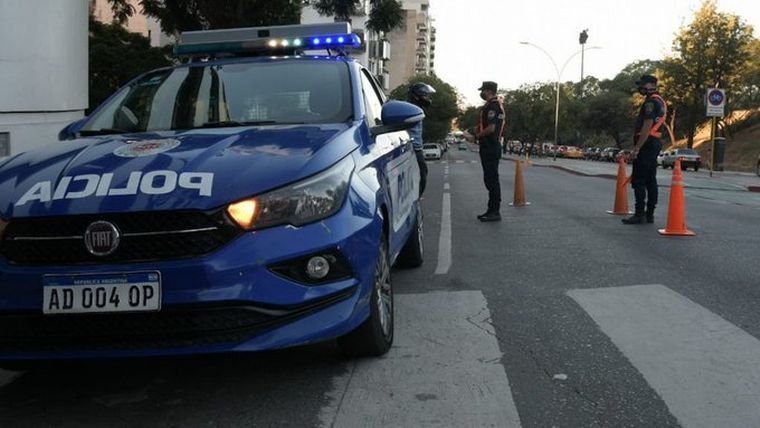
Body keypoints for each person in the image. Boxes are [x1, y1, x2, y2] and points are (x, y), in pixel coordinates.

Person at [622, 74, 667, 225]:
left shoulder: (651, 103)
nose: (640, 88)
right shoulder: (659, 101)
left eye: (642, 85)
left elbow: (647, 126)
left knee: (639, 179)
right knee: (650, 179)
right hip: (654, 143)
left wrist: (636, 149)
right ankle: (649, 214)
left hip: (647, 144)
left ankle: (640, 213)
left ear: (651, 85)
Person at [464, 81, 506, 222]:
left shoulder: (493, 106)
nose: (481, 93)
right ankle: (491, 210)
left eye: (483, 91)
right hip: (489, 146)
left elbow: (491, 128)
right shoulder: (493, 105)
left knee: (492, 180)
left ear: (488, 91)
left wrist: (475, 137)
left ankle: (494, 211)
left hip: (490, 147)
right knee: (490, 179)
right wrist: (474, 131)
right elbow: (485, 125)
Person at [407, 82, 436, 197]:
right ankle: (415, 199)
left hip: (416, 147)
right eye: (425, 95)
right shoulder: (409, 108)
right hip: (412, 148)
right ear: (416, 96)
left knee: (422, 174)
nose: (427, 99)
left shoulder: (416, 108)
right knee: (421, 176)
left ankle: (416, 197)